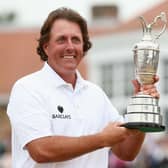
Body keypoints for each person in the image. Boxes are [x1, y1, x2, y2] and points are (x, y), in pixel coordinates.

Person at [7, 7, 160, 168]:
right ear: (46, 46)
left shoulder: (95, 94)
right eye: (61, 39)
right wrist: (102, 139)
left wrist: (141, 110)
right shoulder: (27, 88)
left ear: (83, 46)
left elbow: (126, 153)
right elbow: (41, 150)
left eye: (76, 40)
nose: (70, 46)